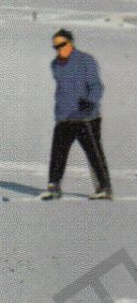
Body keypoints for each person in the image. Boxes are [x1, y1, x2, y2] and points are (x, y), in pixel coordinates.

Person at [43, 29, 112, 201]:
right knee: (58, 152)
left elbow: (97, 86)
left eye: (62, 45)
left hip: (86, 116)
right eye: (55, 46)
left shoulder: (85, 61)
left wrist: (90, 101)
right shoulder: (55, 65)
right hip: (64, 116)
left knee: (94, 153)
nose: (59, 49)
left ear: (71, 43)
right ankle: (53, 186)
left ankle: (104, 187)